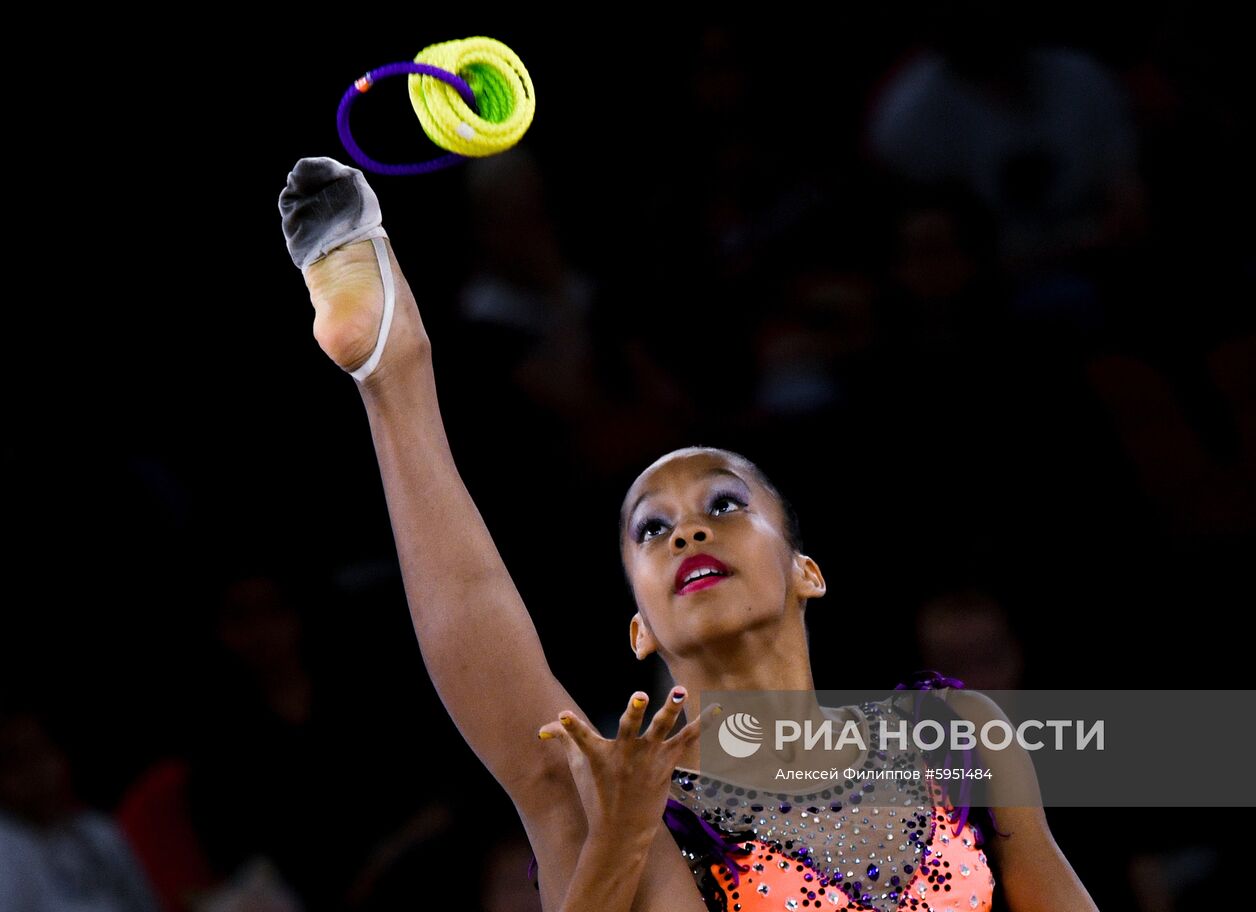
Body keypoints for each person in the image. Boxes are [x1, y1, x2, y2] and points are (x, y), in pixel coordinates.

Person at [278, 157, 1099, 911]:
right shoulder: (651, 813)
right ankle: (393, 371)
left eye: (726, 504)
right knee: (564, 783)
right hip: (636, 815)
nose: (688, 532)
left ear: (806, 569)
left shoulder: (955, 737)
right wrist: (625, 832)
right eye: (652, 528)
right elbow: (474, 601)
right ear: (639, 624)